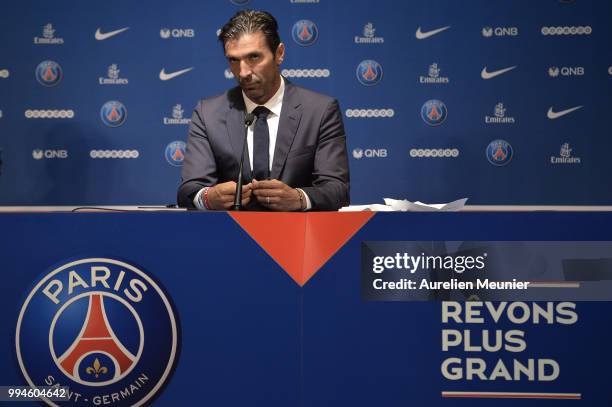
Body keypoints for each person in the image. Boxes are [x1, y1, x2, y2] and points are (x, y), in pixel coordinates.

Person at [177, 10, 350, 211]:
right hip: (230, 236)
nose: (243, 72)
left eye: (254, 57)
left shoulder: (319, 110)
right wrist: (208, 198)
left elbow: (338, 189)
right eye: (234, 60)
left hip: (298, 236)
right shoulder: (208, 113)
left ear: (279, 54)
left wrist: (298, 198)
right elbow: (188, 190)